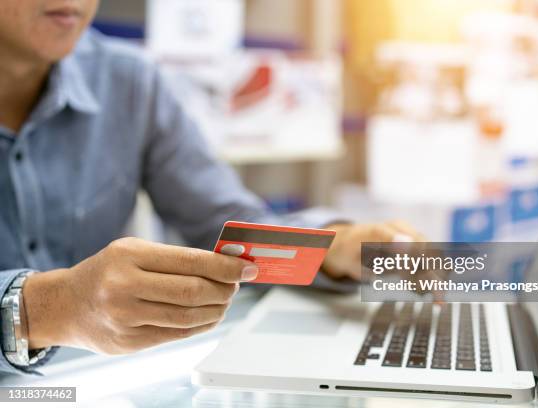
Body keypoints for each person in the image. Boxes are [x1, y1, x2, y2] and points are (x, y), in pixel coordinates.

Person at [0, 0, 422, 375]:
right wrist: (46, 309)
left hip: (88, 385)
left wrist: (333, 249)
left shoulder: (129, 81)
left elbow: (227, 225)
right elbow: (58, 309)